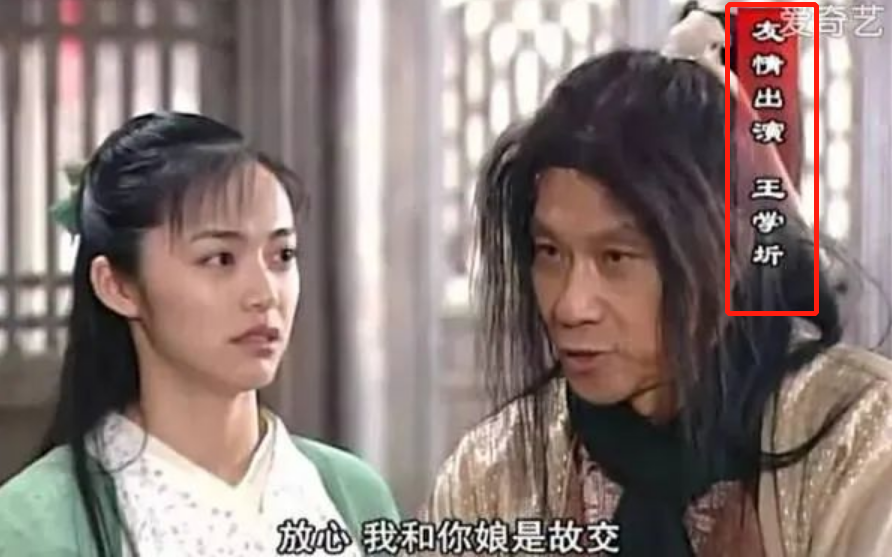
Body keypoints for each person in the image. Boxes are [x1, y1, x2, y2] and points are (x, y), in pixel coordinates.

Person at [421, 8, 892, 557]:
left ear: (725, 255)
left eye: (616, 257)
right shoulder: (492, 473)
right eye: (550, 252)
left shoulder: (858, 443)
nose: (570, 306)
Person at [0, 112, 400, 555]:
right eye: (220, 259)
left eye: (282, 255)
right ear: (117, 286)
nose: (265, 294)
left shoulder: (351, 494)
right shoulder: (33, 526)